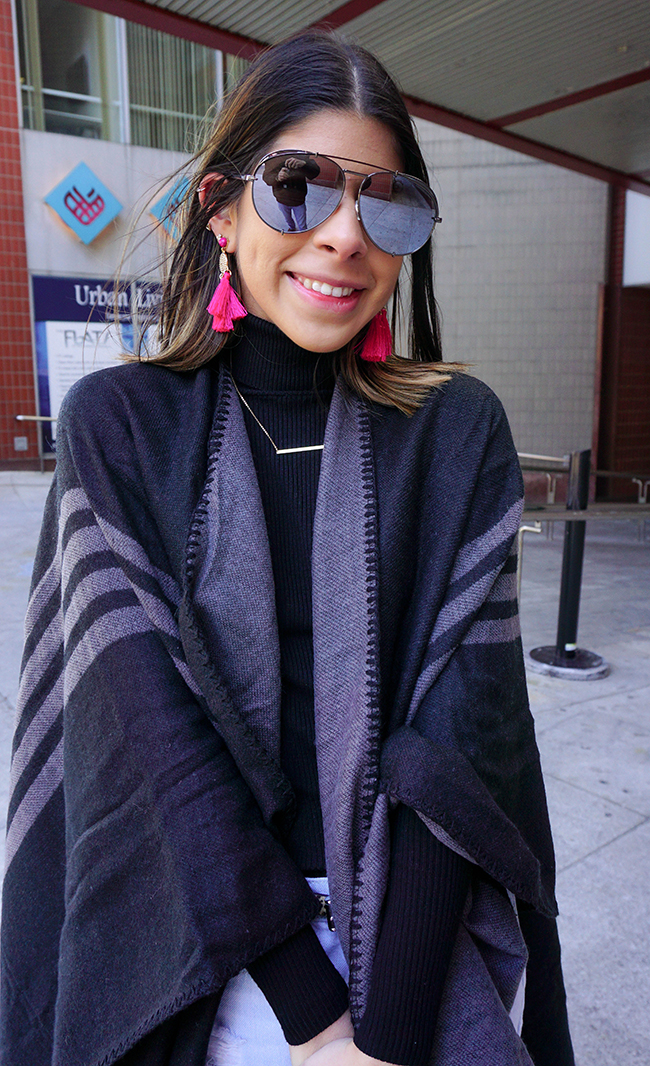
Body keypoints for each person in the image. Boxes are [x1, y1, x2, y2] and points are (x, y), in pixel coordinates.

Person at [1, 30, 575, 1066]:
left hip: (412, 948)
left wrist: (384, 1038)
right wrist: (316, 1025)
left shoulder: (454, 433)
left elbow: (459, 744)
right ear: (221, 210)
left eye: (387, 202)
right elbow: (157, 746)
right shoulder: (119, 427)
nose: (346, 235)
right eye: (299, 187)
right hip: (188, 943)